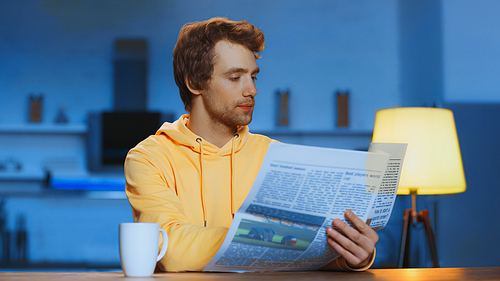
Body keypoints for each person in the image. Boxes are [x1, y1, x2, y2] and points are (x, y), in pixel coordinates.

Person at [124, 17, 378, 272]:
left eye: (253, 77)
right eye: (235, 77)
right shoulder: (148, 158)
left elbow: (305, 256)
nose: (252, 90)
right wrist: (270, 241)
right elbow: (171, 248)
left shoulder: (275, 155)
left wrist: (350, 255)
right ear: (194, 83)